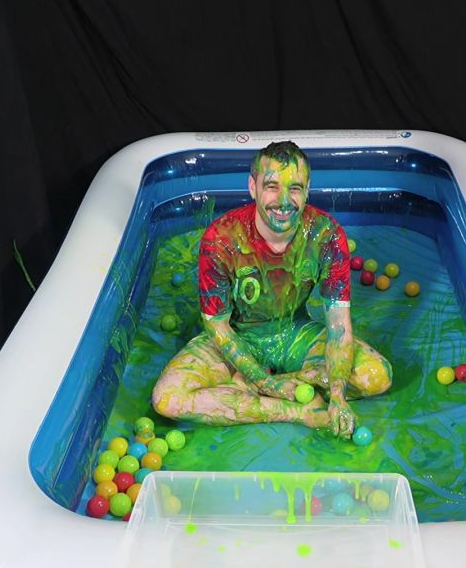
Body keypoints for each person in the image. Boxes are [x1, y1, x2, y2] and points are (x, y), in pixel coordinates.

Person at [151, 141, 392, 438]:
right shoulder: (221, 238)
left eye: (295, 188)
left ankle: (267, 385)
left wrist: (339, 395)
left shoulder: (326, 235)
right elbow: (218, 326)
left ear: (307, 190)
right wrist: (266, 382)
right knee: (167, 399)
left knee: (377, 375)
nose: (283, 201)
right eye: (272, 187)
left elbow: (338, 327)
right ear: (253, 187)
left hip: (296, 336)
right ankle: (298, 411)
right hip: (239, 336)